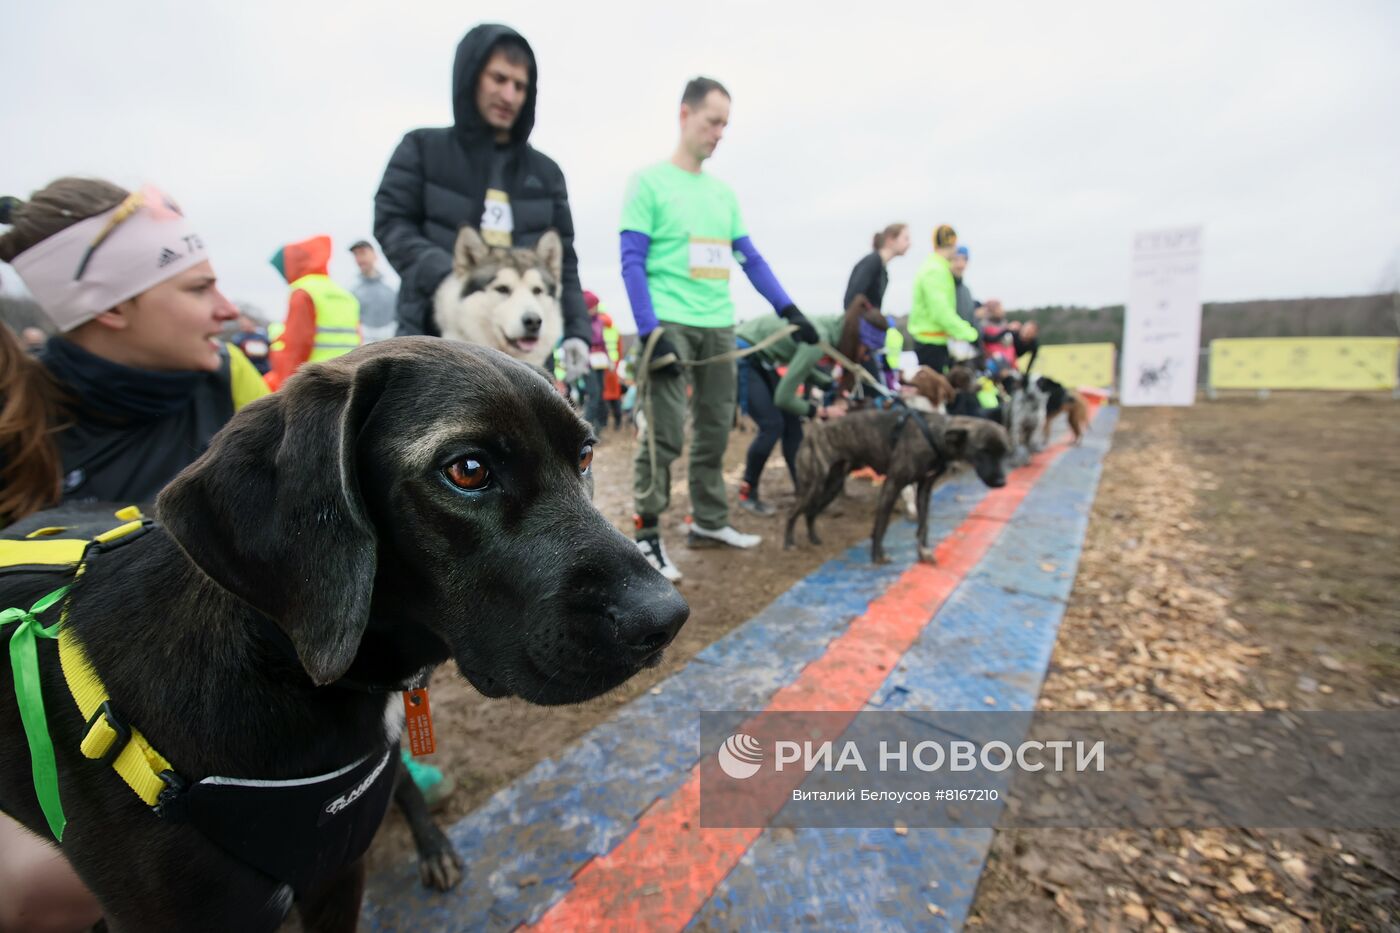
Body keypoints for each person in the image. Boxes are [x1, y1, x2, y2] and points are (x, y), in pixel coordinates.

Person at [0, 176, 270, 931]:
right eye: (199, 287)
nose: (229, 309)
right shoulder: (20, 426)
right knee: (34, 884)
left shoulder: (226, 380)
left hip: (210, 695)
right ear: (113, 308)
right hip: (66, 732)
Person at [621, 76, 820, 581]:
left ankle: (708, 522)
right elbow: (631, 262)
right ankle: (646, 536)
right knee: (663, 435)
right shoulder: (647, 183)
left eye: (726, 125)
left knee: (714, 430)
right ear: (684, 115)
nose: (719, 133)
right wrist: (649, 330)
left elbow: (749, 258)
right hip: (668, 323)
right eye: (713, 121)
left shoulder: (723, 194)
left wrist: (790, 310)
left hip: (718, 326)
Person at [373, 23, 590, 383]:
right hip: (432, 335)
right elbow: (392, 223)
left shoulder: (546, 172)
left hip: (526, 351)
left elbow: (564, 262)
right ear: (471, 76)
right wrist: (447, 277)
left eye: (520, 86)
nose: (509, 95)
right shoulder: (422, 150)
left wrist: (579, 330)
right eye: (499, 79)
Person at [736, 300, 879, 514]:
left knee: (792, 425)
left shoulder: (834, 331)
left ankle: (805, 492)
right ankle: (748, 492)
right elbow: (783, 398)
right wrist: (821, 411)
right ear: (856, 338)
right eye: (866, 349)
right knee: (772, 425)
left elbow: (799, 365)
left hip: (764, 359)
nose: (866, 356)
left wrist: (828, 384)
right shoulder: (820, 338)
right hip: (743, 354)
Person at [844, 222, 910, 392]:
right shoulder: (871, 262)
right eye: (905, 238)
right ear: (890, 239)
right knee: (872, 386)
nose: (909, 243)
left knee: (873, 385)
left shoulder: (882, 269)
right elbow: (851, 299)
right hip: (860, 338)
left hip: (869, 338)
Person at [908, 224, 979, 373]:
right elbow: (941, 312)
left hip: (934, 340)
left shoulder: (936, 267)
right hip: (931, 342)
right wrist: (969, 334)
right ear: (953, 244)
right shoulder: (936, 270)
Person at [349, 239, 398, 343]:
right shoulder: (351, 290)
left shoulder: (392, 285)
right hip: (363, 345)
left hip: (390, 342)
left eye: (363, 253)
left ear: (374, 255)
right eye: (356, 255)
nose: (359, 259)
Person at [230, 306, 272, 374]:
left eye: (245, 322)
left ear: (251, 322)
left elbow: (269, 348)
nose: (243, 324)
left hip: (264, 369)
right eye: (241, 323)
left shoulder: (262, 335)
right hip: (248, 369)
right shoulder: (238, 338)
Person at [951, 244, 978, 328]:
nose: (960, 264)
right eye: (956, 259)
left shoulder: (966, 290)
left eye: (964, 259)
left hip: (966, 337)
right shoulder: (943, 286)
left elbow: (970, 319)